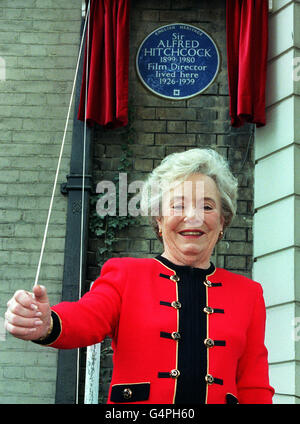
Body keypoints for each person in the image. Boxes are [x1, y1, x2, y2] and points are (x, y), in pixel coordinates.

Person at [5, 148, 274, 404]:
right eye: (178, 206)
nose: (193, 218)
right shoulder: (125, 275)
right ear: (158, 218)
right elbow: (86, 317)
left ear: (223, 220)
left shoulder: (248, 294)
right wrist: (48, 322)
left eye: (207, 207)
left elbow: (254, 385)